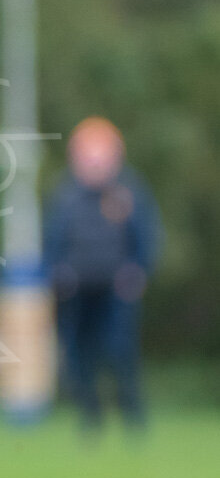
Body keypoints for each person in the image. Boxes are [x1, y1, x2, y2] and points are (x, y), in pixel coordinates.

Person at [43, 117, 162, 434]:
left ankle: (132, 415)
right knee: (80, 356)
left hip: (116, 290)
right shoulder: (66, 195)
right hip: (77, 290)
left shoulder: (129, 192)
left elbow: (146, 238)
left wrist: (137, 272)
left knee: (119, 351)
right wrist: (57, 274)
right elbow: (52, 242)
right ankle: (90, 417)